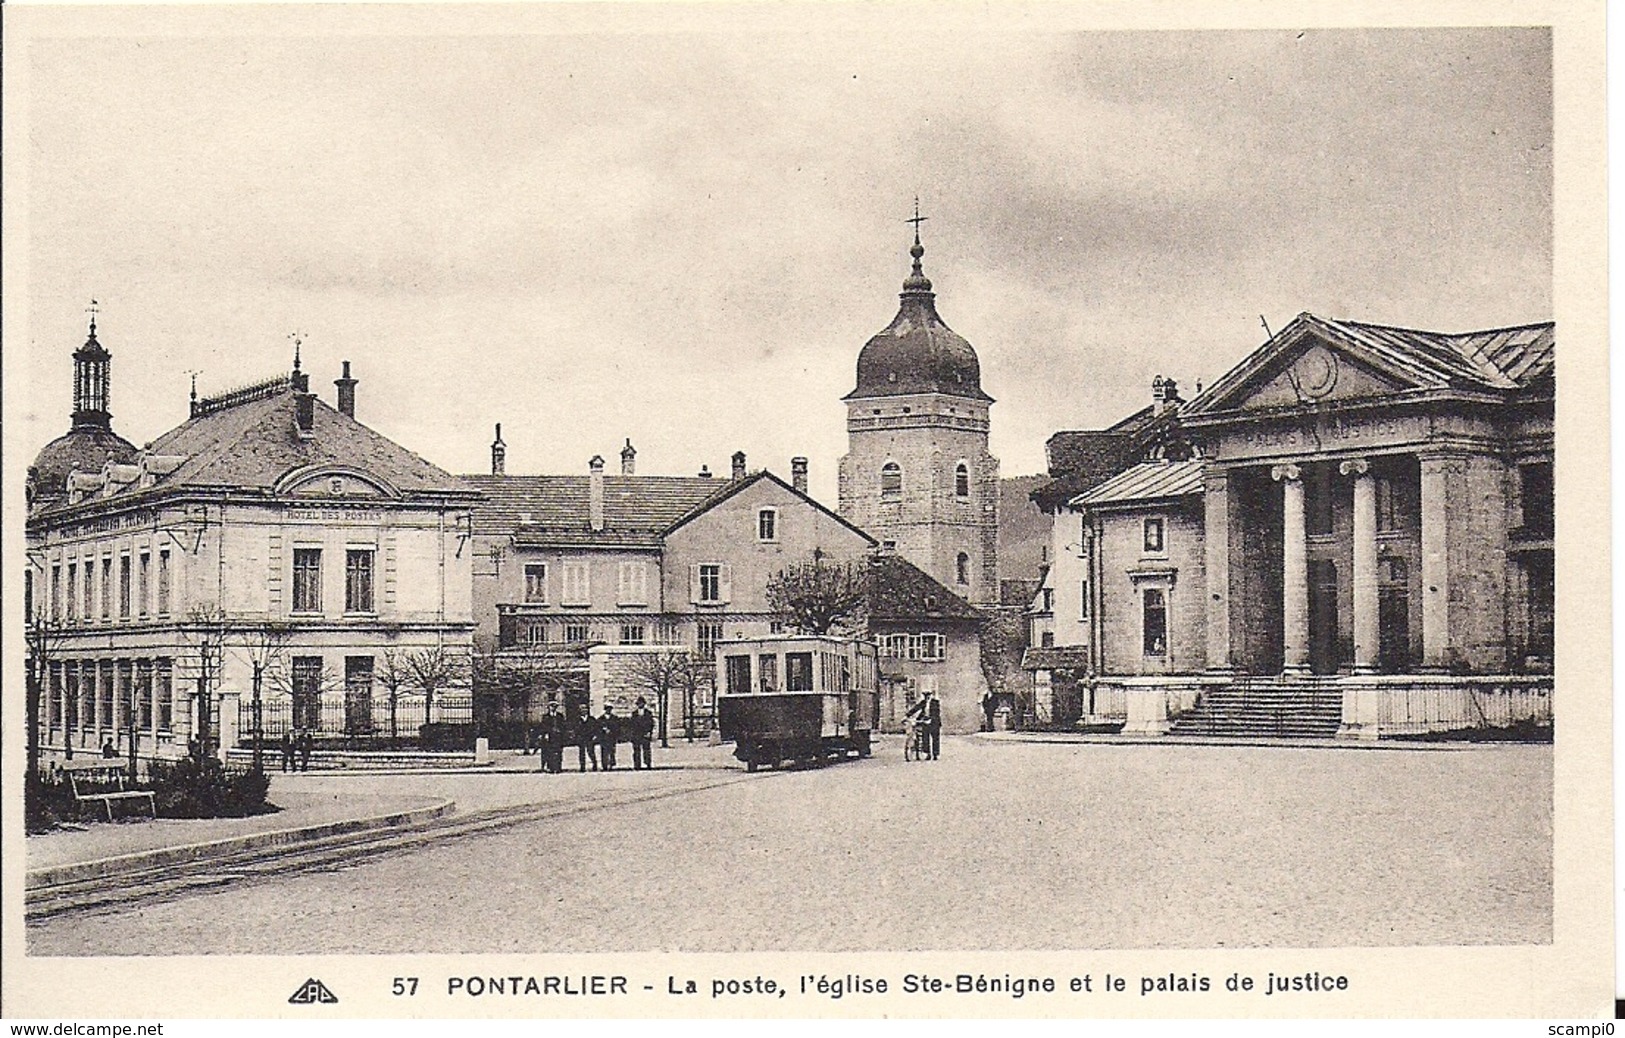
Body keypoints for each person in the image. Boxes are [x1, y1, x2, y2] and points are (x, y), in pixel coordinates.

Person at [629, 697, 655, 770]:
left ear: (644, 704)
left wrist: (649, 732)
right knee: (636, 750)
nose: (640, 704)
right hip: (636, 734)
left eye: (642, 703)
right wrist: (632, 734)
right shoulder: (634, 714)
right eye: (639, 703)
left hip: (645, 734)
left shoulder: (648, 713)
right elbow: (632, 725)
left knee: (646, 750)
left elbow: (651, 723)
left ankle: (648, 764)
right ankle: (637, 765)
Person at [539, 700, 565, 773]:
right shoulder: (546, 717)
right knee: (549, 752)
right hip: (550, 736)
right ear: (549, 707)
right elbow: (543, 726)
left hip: (558, 736)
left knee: (559, 752)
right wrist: (545, 734)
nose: (553, 708)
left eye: (555, 706)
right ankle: (551, 767)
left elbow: (563, 726)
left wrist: (562, 733)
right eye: (551, 706)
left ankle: (558, 767)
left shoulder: (560, 716)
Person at [574, 705, 599, 772]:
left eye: (585, 708)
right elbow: (575, 729)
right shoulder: (577, 719)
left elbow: (596, 728)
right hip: (581, 737)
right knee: (582, 752)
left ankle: (594, 765)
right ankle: (582, 767)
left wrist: (595, 735)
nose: (584, 710)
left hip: (589, 737)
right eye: (582, 709)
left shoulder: (591, 719)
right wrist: (577, 736)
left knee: (591, 751)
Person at [598, 705, 619, 771]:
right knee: (604, 751)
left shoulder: (614, 718)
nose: (608, 710)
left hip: (611, 737)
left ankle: (611, 764)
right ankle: (604, 765)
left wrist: (612, 731)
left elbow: (617, 727)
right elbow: (598, 727)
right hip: (604, 738)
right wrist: (603, 730)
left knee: (612, 751)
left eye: (610, 709)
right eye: (607, 709)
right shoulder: (601, 718)